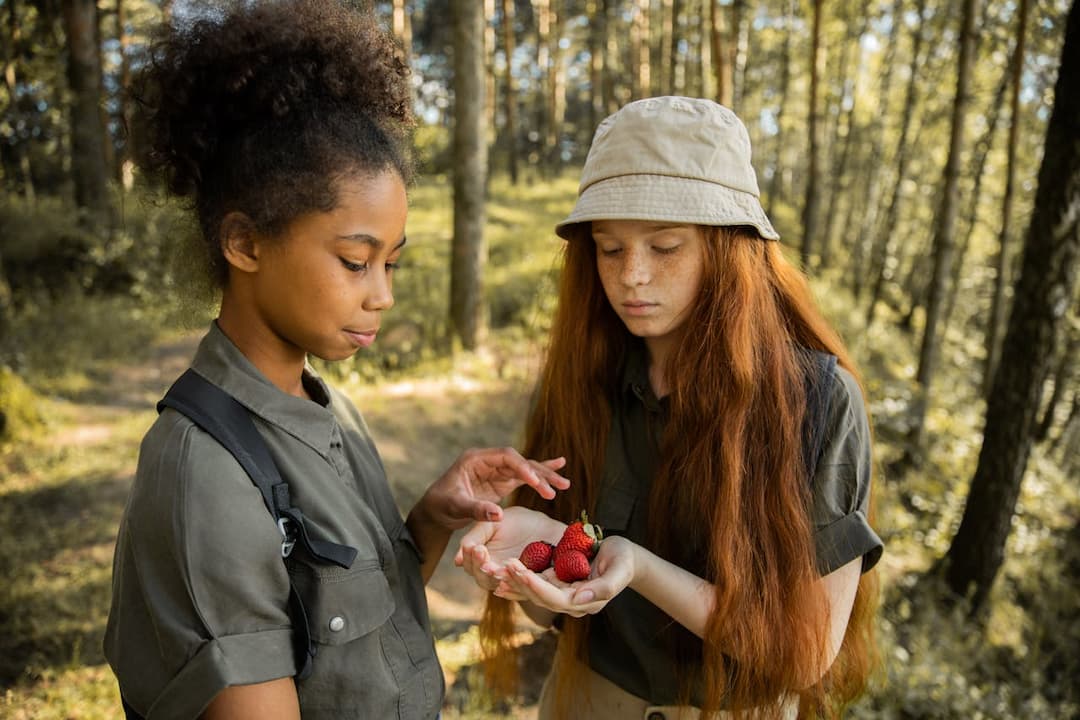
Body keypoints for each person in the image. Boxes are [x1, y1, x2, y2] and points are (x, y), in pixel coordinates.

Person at [103, 3, 569, 718]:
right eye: (355, 261)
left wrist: (433, 519)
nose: (381, 296)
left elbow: (341, 618)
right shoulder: (208, 477)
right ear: (247, 244)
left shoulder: (327, 405)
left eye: (392, 264)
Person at [456, 96, 883, 720]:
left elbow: (808, 650)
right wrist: (524, 568)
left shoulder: (814, 400)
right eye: (609, 249)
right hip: (585, 702)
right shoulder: (583, 378)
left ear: (729, 250)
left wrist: (638, 567)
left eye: (664, 248)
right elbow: (552, 610)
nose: (632, 276)